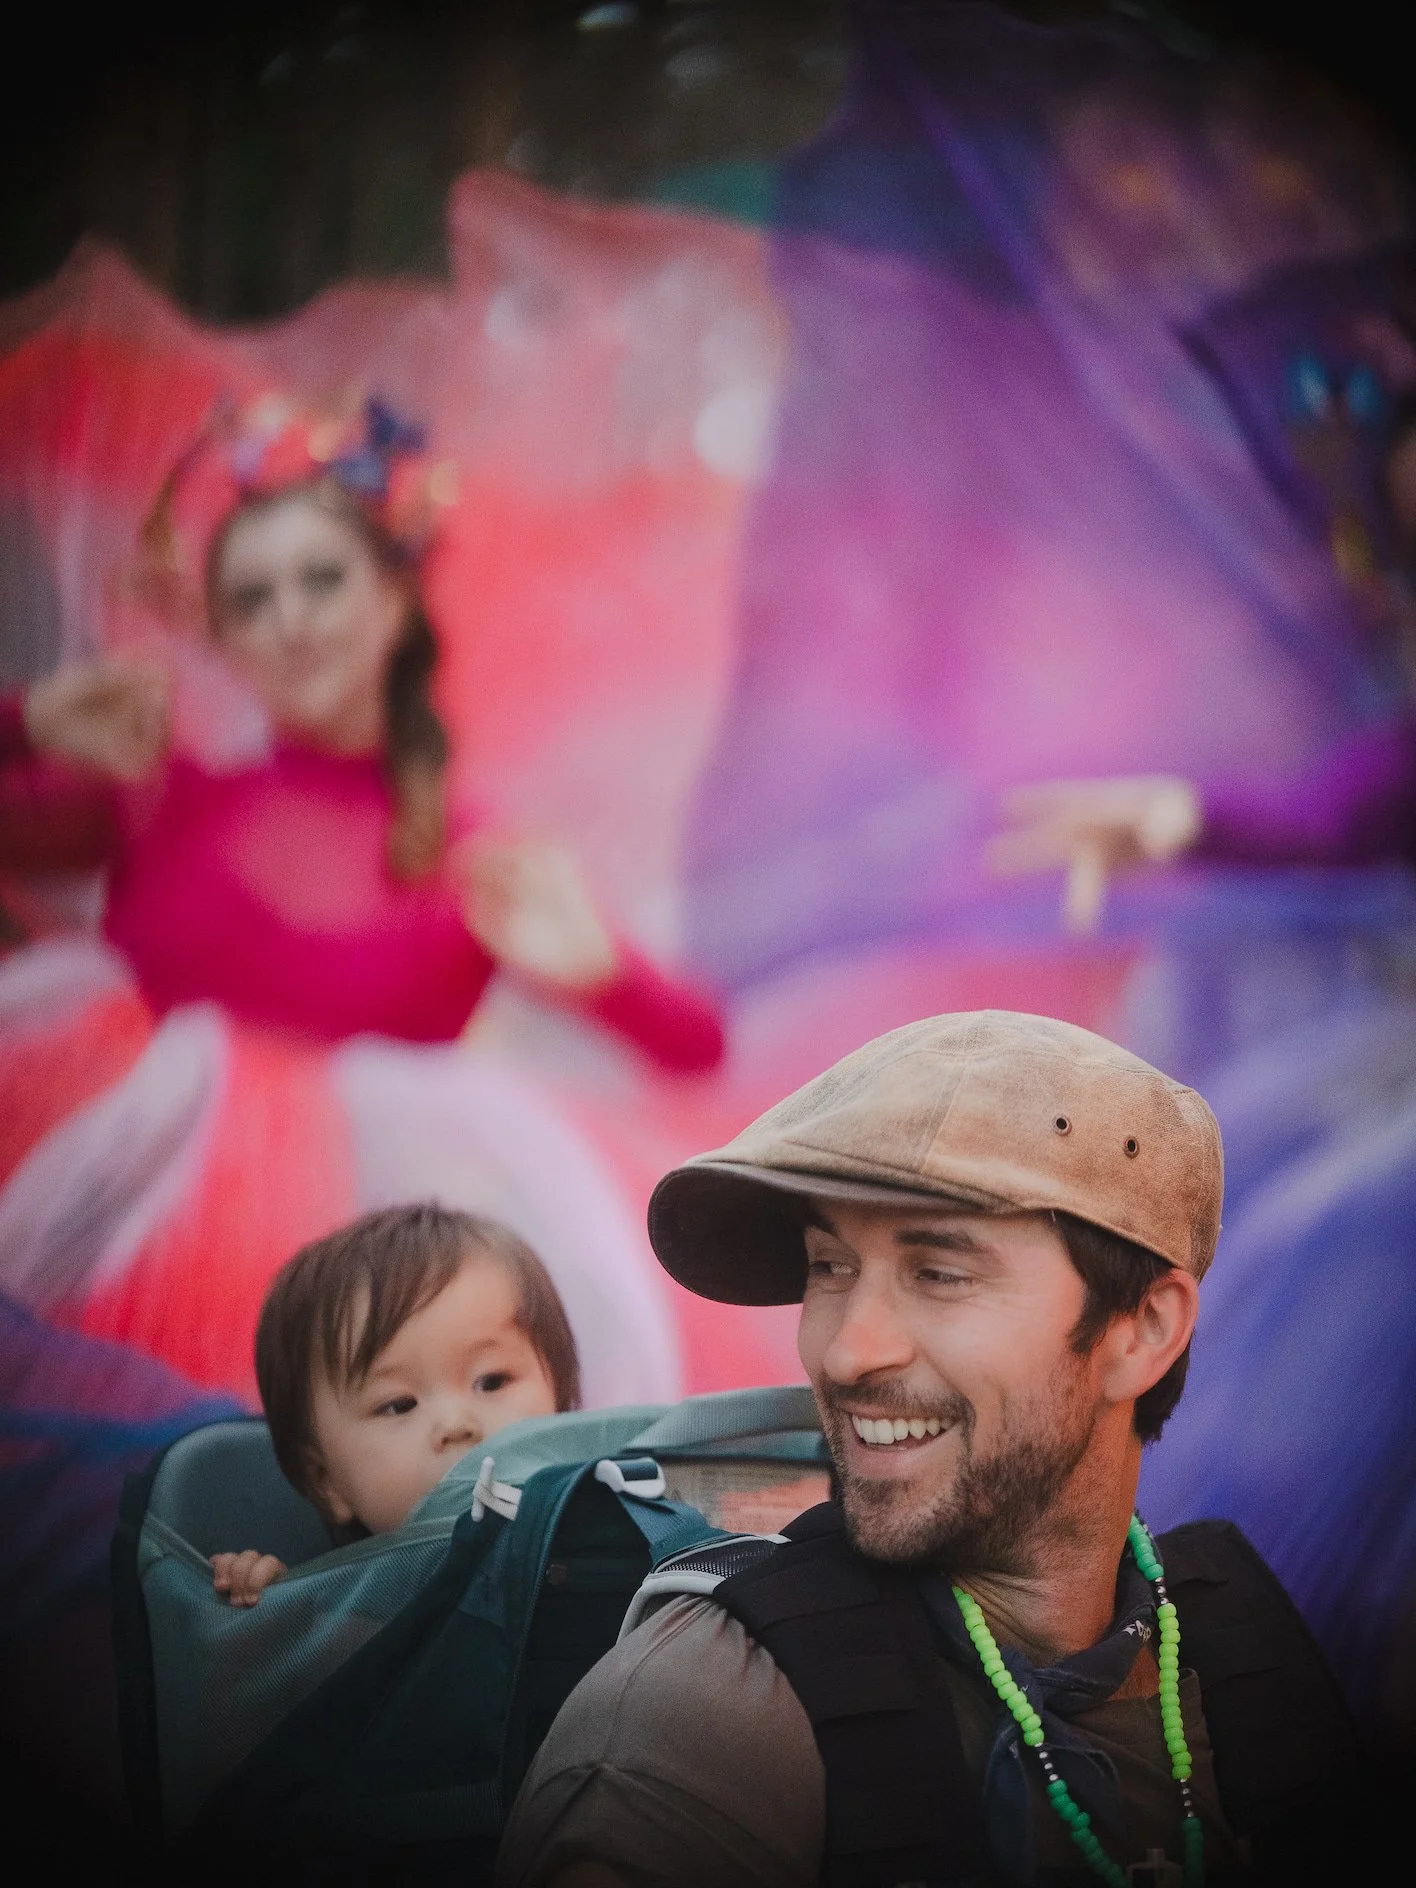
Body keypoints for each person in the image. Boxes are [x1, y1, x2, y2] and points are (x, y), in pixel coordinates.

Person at [496, 1011, 1366, 1887]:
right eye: (829, 1267)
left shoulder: (1242, 1661)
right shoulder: (703, 1725)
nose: (847, 1351)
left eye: (940, 1274)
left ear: (1142, 1329)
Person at [0, 395, 722, 1403]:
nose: (290, 620)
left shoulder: (466, 854)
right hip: (126, 1270)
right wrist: (27, 723)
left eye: (322, 579)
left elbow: (698, 1047)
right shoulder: (156, 796)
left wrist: (606, 975)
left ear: (395, 603)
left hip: (374, 1303)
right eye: (252, 598)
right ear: (223, 634)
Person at [211, 1202, 578, 1606]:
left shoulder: (616, 1546)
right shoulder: (340, 1616)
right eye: (400, 1405)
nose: (456, 1424)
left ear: (562, 1404)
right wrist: (278, 1606)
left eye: (491, 1381)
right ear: (326, 1481)